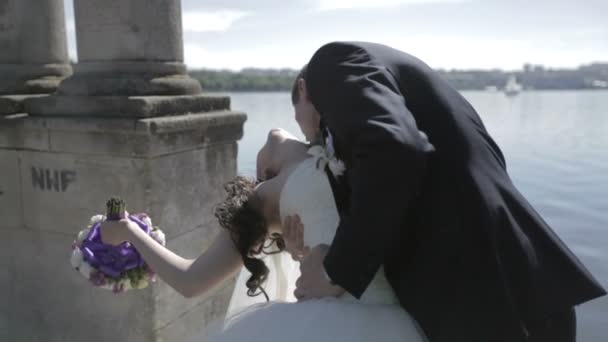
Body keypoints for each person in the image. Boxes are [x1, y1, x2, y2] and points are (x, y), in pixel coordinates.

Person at [289, 41, 607, 342]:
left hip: (485, 301)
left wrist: (335, 273)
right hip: (526, 287)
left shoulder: (332, 61)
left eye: (301, 122)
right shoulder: (414, 90)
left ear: (304, 89)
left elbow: (394, 150)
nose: (310, 138)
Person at [99, 128, 427, 342]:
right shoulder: (265, 201)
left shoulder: (328, 143)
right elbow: (191, 280)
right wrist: (131, 232)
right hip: (372, 314)